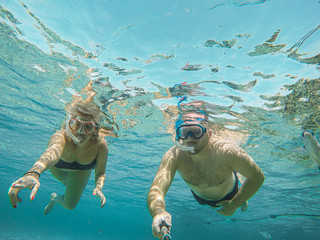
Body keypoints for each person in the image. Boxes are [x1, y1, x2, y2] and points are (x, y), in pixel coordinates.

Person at [147, 117, 265, 239]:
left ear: (209, 133)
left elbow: (257, 177)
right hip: (200, 198)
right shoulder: (174, 156)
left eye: (196, 132)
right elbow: (156, 190)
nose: (190, 139)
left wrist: (234, 204)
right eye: (185, 133)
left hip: (230, 195)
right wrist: (158, 212)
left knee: (241, 199)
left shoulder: (227, 151)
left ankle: (241, 197)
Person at [8, 101, 109, 215]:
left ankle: (54, 199)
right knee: (70, 188)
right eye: (76, 124)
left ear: (95, 130)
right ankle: (67, 185)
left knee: (69, 206)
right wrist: (33, 173)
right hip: (58, 170)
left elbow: (100, 172)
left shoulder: (100, 145)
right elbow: (50, 153)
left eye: (88, 127)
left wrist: (99, 187)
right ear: (69, 124)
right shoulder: (61, 137)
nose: (81, 131)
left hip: (80, 173)